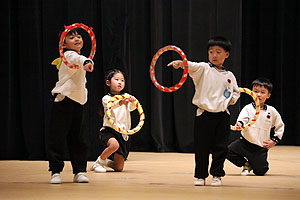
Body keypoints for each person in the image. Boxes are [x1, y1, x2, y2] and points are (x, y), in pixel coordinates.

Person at [168, 36, 240, 186]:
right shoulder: (204, 68)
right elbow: (191, 65)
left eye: (218, 52)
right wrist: (181, 63)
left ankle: (217, 175)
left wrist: (229, 101)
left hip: (222, 116)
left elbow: (236, 93)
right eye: (211, 52)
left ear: (226, 54)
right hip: (204, 115)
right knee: (202, 147)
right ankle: (200, 176)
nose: (214, 55)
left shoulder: (229, 75)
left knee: (220, 148)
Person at [47, 27, 94, 184]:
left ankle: (79, 171)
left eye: (79, 36)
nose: (77, 39)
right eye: (71, 37)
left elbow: (81, 60)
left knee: (79, 138)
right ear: (64, 44)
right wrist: (87, 61)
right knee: (58, 137)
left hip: (78, 101)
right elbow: (78, 59)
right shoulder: (69, 55)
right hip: (64, 100)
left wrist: (86, 61)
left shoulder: (78, 56)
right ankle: (55, 171)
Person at [226, 77, 284, 176]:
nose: (258, 95)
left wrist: (275, 140)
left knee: (261, 172)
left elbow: (280, 125)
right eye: (256, 91)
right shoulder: (248, 108)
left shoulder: (272, 111)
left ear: (268, 95)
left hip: (260, 147)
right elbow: (242, 119)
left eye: (262, 92)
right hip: (244, 143)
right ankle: (246, 164)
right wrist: (240, 124)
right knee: (226, 151)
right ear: (251, 93)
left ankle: (254, 163)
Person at [90, 69, 137, 173]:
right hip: (109, 130)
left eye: (122, 80)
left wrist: (133, 101)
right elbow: (111, 105)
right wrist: (121, 102)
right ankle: (98, 163)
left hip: (123, 133)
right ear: (108, 82)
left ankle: (106, 162)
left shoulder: (126, 97)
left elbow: (134, 107)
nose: (120, 82)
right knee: (114, 145)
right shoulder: (106, 98)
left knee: (118, 167)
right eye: (116, 79)